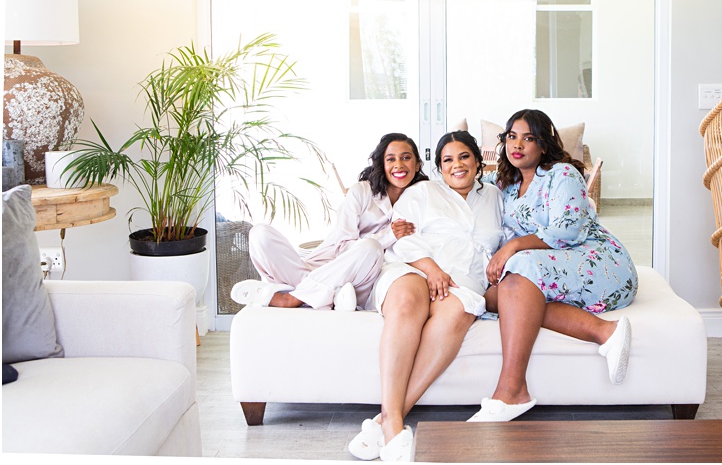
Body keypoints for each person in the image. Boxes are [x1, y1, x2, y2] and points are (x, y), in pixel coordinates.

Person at [468, 109, 638, 423]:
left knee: (516, 269)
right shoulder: (504, 183)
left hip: (597, 261)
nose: (517, 145)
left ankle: (511, 390)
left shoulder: (562, 174)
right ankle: (605, 331)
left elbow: (568, 230)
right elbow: (466, 181)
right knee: (491, 295)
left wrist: (512, 246)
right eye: (512, 137)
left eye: (528, 138)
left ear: (544, 145)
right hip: (544, 268)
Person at [349, 130, 503, 462]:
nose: (457, 165)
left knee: (457, 312)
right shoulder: (423, 192)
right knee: (407, 302)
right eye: (448, 160)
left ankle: (388, 418)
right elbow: (404, 238)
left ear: (478, 160)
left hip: (463, 281)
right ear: (439, 167)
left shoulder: (495, 196)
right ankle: (393, 427)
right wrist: (432, 270)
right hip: (414, 266)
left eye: (464, 156)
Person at [230, 133, 428, 311]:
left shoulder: (422, 199)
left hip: (359, 280)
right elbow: (342, 246)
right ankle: (322, 295)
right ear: (382, 165)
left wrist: (384, 240)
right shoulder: (361, 191)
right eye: (391, 159)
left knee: (371, 247)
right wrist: (388, 235)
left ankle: (291, 297)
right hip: (319, 268)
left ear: (417, 164)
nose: (399, 165)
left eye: (406, 158)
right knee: (260, 233)